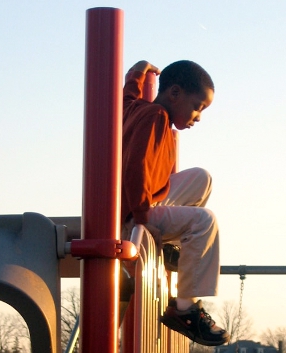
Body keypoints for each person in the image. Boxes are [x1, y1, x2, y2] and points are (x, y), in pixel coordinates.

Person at [122, 60, 230, 346]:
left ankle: (174, 248)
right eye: (197, 106)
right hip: (134, 217)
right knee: (205, 221)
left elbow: (126, 97)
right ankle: (185, 309)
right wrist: (143, 221)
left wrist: (137, 74)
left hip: (142, 205)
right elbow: (137, 168)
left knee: (200, 178)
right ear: (174, 93)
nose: (198, 116)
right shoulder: (156, 116)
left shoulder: (137, 109)